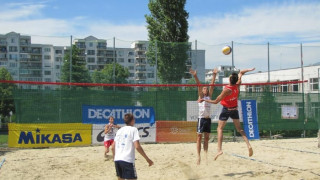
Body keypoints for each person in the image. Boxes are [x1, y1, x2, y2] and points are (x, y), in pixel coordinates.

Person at [199, 68, 255, 160]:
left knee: (220, 128)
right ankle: (248, 144)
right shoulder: (237, 85)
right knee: (240, 129)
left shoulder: (227, 90)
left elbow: (216, 101)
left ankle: (219, 150)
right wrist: (249, 69)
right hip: (234, 109)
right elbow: (241, 73)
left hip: (226, 109)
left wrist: (204, 99)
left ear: (229, 80)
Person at [111, 113, 153, 180]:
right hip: (127, 160)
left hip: (117, 160)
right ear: (132, 120)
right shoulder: (134, 130)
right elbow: (137, 146)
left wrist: (114, 158)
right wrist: (147, 159)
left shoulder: (119, 130)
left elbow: (112, 147)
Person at [189, 68, 218, 165]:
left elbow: (212, 85)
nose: (205, 89)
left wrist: (214, 75)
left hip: (208, 119)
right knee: (199, 137)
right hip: (201, 119)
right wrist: (195, 76)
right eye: (204, 88)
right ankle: (198, 157)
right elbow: (199, 85)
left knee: (206, 138)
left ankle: (205, 156)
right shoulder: (200, 97)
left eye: (206, 88)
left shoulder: (209, 97)